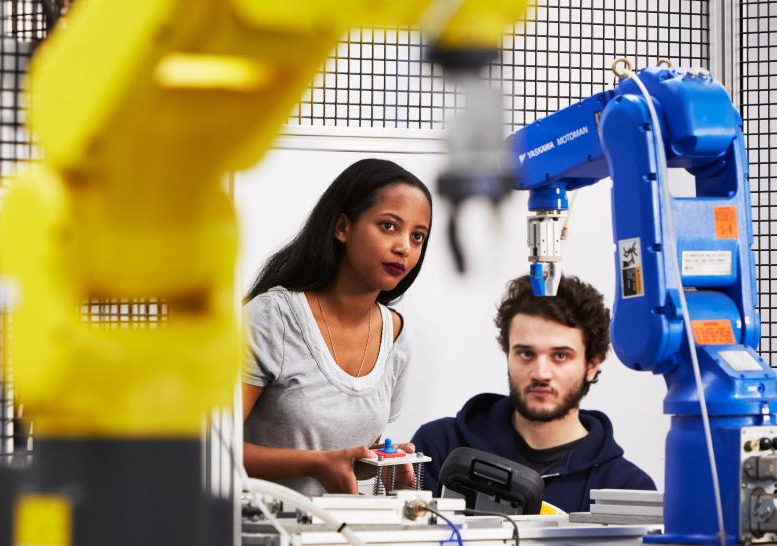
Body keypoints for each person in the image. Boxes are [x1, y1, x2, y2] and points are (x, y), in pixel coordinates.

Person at [242, 158, 432, 497]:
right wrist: (314, 464)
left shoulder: (398, 336)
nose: (404, 246)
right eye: (389, 226)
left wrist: (382, 465)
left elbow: (349, 458)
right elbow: (211, 451)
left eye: (417, 236)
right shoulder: (272, 317)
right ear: (342, 228)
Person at [411, 275, 655, 512]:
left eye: (560, 356)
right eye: (526, 354)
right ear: (508, 355)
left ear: (592, 365)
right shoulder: (439, 448)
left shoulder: (627, 490)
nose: (541, 372)